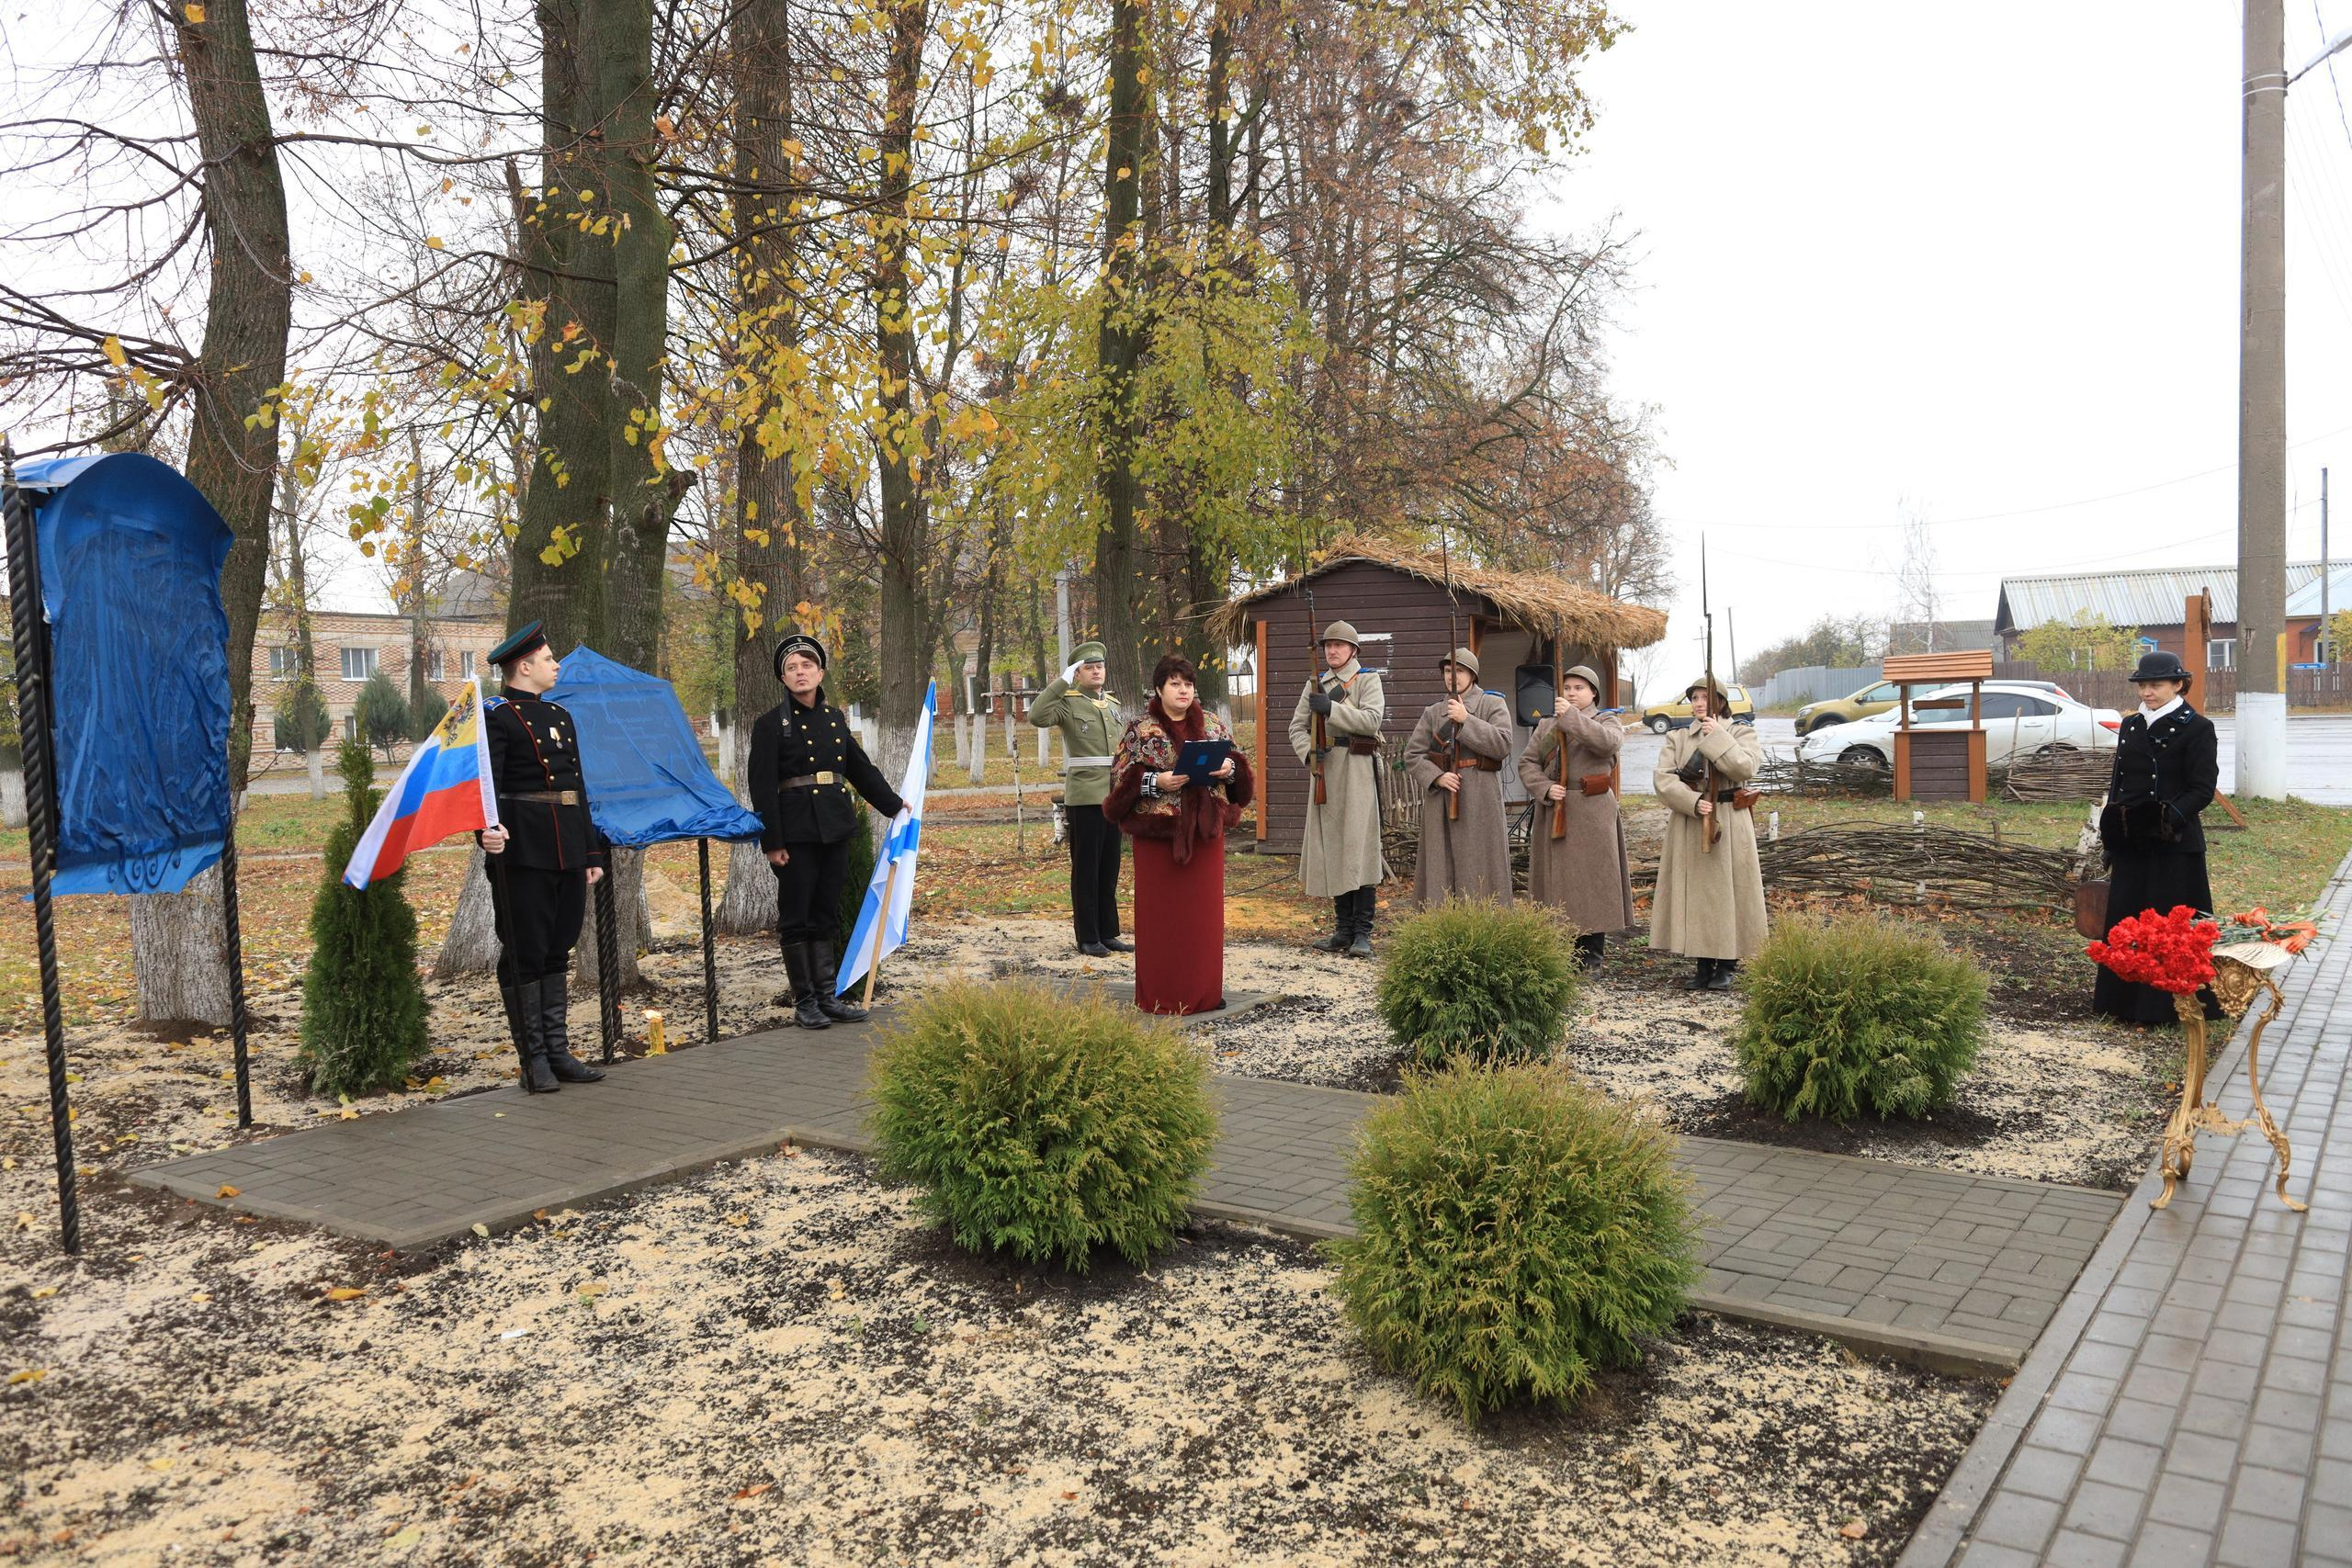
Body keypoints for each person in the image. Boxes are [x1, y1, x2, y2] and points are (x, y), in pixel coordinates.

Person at [747, 634, 908, 1030]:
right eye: (791, 668)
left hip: (835, 826)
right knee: (796, 917)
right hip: (796, 832)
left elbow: (859, 768)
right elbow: (762, 785)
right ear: (782, 678)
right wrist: (773, 841)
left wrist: (894, 804)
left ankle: (827, 996)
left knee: (825, 914)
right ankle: (805, 1002)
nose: (800, 673)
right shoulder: (769, 725)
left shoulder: (835, 718)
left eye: (807, 666)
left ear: (820, 672)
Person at [478, 621, 608, 1093]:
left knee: (558, 947)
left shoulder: (559, 714)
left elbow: (576, 788)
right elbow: (483, 785)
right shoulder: (495, 716)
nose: (556, 665)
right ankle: (533, 1059)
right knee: (526, 951)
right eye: (550, 659)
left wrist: (590, 850)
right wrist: (486, 833)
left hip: (568, 846)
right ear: (525, 665)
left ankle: (557, 1050)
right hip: (524, 848)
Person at [1104, 654, 1255, 1015]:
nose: (1183, 690)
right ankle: (1162, 996)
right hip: (1159, 841)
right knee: (1162, 921)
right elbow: (1116, 788)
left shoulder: (1215, 726)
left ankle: (1203, 993)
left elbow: (1242, 784)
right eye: (1175, 683)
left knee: (1201, 922)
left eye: (1188, 684)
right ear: (1159, 689)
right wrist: (1157, 782)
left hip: (1206, 838)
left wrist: (1229, 769)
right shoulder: (1140, 730)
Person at [2095, 649, 2221, 1025]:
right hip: (2133, 840)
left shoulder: (2197, 727)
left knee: (2170, 924)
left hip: (2174, 843)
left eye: (2156, 685)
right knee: (2128, 918)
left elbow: (2202, 788)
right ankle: (2122, 1002)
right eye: (2142, 685)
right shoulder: (2132, 725)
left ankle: (2166, 1008)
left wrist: (2167, 820)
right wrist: (2113, 827)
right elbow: (2120, 780)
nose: (2147, 692)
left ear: (2178, 685)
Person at [1650, 677, 1767, 991]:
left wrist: (1718, 738)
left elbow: (1745, 768)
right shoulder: (1678, 736)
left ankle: (1728, 962)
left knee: (1729, 893)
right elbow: (1664, 780)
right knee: (1699, 895)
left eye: (1706, 697)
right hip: (1692, 821)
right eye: (1695, 698)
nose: (1699, 703)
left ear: (1722, 702)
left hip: (1730, 821)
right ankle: (1702, 963)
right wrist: (1693, 801)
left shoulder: (1741, 732)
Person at [1519, 663, 1635, 974]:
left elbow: (1607, 744)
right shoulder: (1546, 726)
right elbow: (1528, 763)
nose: (1571, 693)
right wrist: (1544, 788)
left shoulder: (1606, 720)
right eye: (1567, 688)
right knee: (1558, 885)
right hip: (1556, 808)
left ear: (1593, 692)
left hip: (1593, 812)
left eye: (1578, 688)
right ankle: (1562, 954)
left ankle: (1591, 958)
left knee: (1593, 884)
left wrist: (1571, 719)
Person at [1288, 620, 1387, 956]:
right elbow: (1297, 728)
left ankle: (1363, 933)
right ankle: (1342, 930)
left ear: (1353, 650)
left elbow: (1371, 720)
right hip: (1326, 769)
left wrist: (1332, 708)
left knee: (1359, 848)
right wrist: (1310, 754)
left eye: (1339, 646)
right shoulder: (1315, 684)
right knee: (1334, 847)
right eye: (1328, 646)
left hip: (1357, 769)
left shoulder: (1367, 680)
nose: (1332, 650)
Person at [1028, 639, 1129, 957]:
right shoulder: (1068, 702)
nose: (1096, 671)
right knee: (1086, 869)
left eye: (1099, 666)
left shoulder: (1112, 704)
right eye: (1089, 667)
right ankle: (1087, 937)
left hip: (1113, 795)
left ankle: (1108, 932)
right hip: (1085, 796)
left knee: (1110, 866)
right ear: (1078, 673)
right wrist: (1062, 681)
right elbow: (1036, 715)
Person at [1402, 647, 1513, 908]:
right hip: (1442, 799)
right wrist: (1437, 777)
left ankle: (1486, 923)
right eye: (1448, 671)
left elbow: (1503, 744)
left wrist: (1466, 721)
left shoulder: (1492, 704)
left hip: (1480, 796)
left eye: (1459, 671)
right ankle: (1443, 926)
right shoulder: (1432, 712)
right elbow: (1413, 755)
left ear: (1472, 675)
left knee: (1482, 863)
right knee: (1442, 864)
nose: (1453, 677)